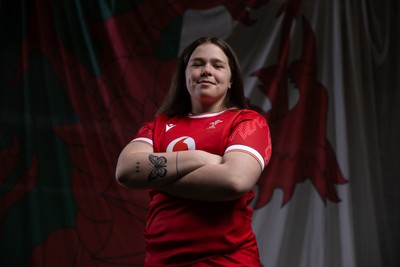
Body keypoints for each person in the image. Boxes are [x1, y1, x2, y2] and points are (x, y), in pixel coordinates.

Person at [115, 36, 272, 266]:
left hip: (227, 260)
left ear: (230, 80)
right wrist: (199, 158)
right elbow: (126, 171)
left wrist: (155, 177)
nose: (207, 70)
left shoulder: (247, 122)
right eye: (197, 64)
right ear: (184, 75)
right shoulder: (156, 128)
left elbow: (235, 180)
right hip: (162, 260)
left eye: (217, 65)